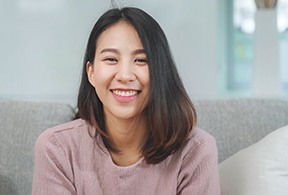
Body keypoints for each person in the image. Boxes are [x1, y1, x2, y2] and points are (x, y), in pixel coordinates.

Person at [32, 7, 220, 195]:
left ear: (160, 72)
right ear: (91, 72)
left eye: (140, 60)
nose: (124, 75)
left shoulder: (196, 151)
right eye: (111, 59)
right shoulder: (56, 148)